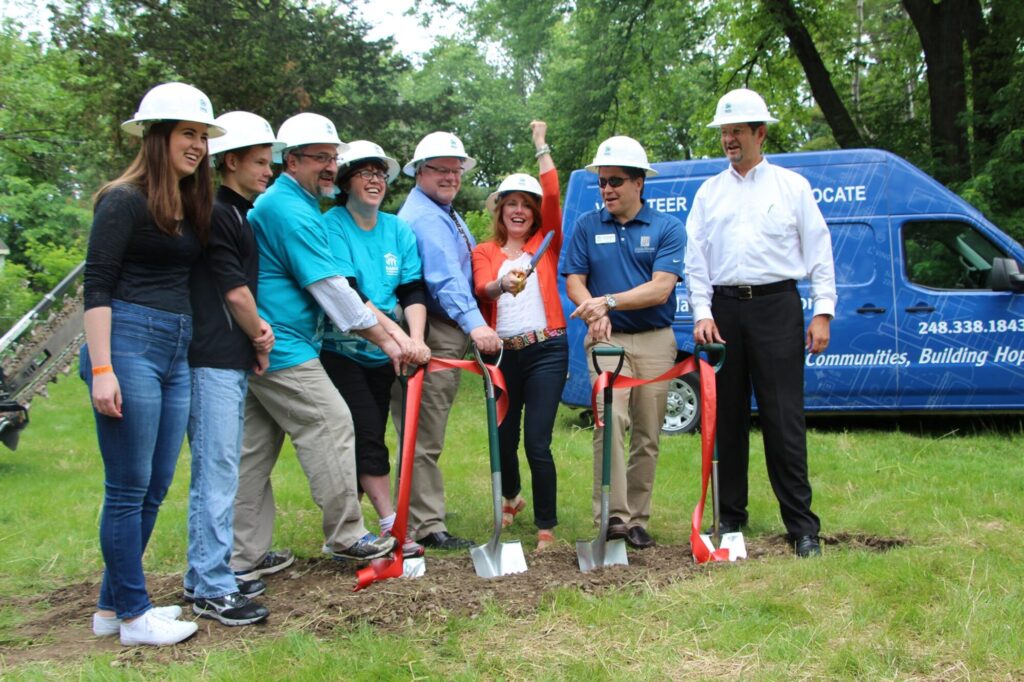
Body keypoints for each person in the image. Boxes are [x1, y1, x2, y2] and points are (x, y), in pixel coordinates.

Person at [231, 113, 408, 577]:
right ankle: (347, 536)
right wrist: (390, 342)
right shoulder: (290, 211)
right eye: (319, 158)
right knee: (330, 423)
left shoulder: (296, 204)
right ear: (291, 161)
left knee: (254, 451)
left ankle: (239, 557)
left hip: (267, 343)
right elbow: (333, 291)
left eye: (333, 158)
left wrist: (393, 337)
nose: (331, 167)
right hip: (282, 345)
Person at [81, 82, 223, 646]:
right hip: (127, 342)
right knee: (127, 486)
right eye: (187, 134)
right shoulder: (121, 199)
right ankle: (135, 616)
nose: (197, 146)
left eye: (202, 137)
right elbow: (97, 285)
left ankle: (111, 608)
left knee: (156, 485)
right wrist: (102, 370)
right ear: (157, 136)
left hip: (175, 345)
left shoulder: (186, 203)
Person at [684, 88, 836, 558]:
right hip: (724, 312)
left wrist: (823, 312)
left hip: (777, 307)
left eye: (737, 131)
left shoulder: (792, 187)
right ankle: (731, 517)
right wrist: (702, 312)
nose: (729, 139)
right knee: (727, 417)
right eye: (724, 132)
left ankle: (802, 526)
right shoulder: (709, 193)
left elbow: (819, 249)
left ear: (760, 133)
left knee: (783, 417)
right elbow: (696, 259)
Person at [183, 111, 281, 626]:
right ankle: (212, 587)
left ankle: (206, 574)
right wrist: (260, 334)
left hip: (229, 356)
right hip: (212, 358)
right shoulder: (219, 213)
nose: (268, 170)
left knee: (221, 468)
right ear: (231, 162)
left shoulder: (239, 213)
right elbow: (235, 292)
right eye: (259, 162)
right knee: (217, 471)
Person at [562, 135, 684, 550]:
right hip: (606, 339)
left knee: (648, 433)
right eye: (602, 181)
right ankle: (613, 518)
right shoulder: (587, 225)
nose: (607, 189)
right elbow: (575, 281)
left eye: (615, 180)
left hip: (655, 340)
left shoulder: (667, 228)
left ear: (638, 183)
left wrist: (608, 302)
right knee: (609, 419)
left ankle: (637, 519)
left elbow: (661, 289)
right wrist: (595, 311)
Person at [320, 140, 431, 558]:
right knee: (368, 433)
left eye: (380, 173)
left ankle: (342, 533)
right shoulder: (332, 226)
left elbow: (411, 289)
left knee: (365, 436)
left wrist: (415, 339)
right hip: (341, 349)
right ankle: (393, 526)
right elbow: (350, 292)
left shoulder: (397, 230)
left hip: (384, 354)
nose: (375, 180)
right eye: (365, 173)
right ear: (345, 182)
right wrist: (398, 339)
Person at [397, 131, 502, 550]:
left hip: (443, 328)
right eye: (440, 169)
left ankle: (419, 509)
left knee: (425, 428)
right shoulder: (426, 217)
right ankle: (426, 524)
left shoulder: (442, 211)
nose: (450, 177)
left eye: (456, 170)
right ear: (419, 172)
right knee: (424, 431)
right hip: (434, 332)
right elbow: (444, 278)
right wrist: (475, 325)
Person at [471, 121, 566, 551]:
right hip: (502, 356)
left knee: (537, 441)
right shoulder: (484, 251)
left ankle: (546, 525)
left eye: (526, 205)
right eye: (511, 203)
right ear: (500, 210)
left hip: (547, 349)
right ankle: (511, 497)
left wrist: (541, 145)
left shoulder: (548, 242)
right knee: (504, 438)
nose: (519, 210)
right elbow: (481, 288)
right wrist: (501, 284)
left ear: (535, 213)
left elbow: (554, 194)